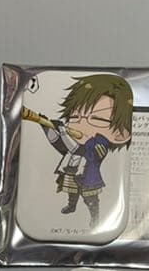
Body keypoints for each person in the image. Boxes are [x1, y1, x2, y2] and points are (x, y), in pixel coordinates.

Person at [34, 74, 133, 228]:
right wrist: (47, 127)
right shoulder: (72, 140)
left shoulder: (99, 142)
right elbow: (59, 144)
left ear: (120, 134)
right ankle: (71, 206)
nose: (80, 125)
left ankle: (95, 217)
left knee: (90, 198)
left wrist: (64, 131)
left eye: (97, 119)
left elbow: (76, 148)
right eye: (75, 117)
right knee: (71, 190)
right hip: (71, 170)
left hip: (88, 176)